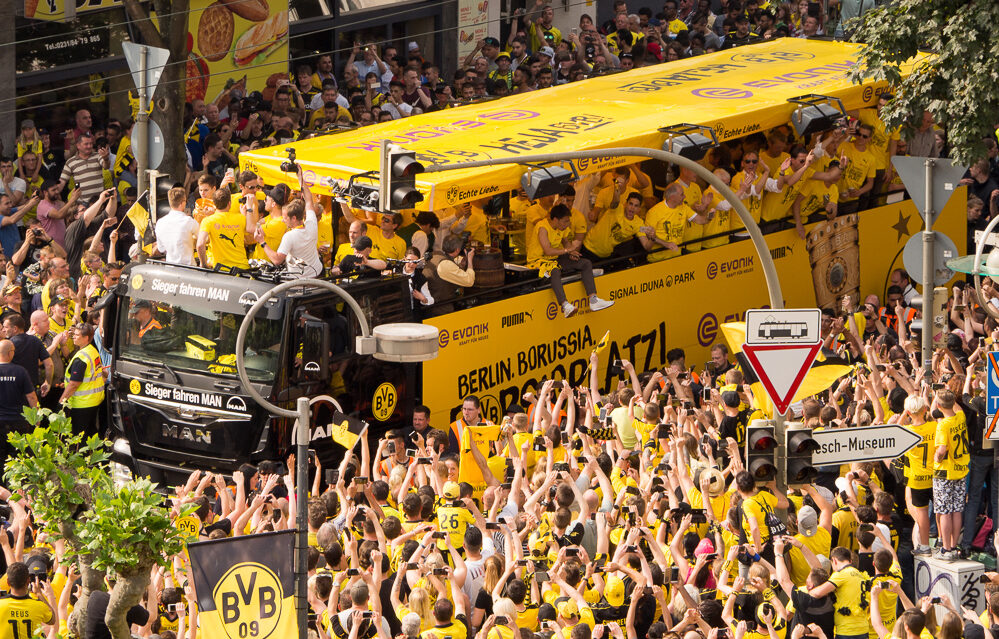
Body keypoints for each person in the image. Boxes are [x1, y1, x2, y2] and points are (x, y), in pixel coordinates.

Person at [528, 205, 614, 318]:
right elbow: (548, 251)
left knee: (585, 263)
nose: (567, 224)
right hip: (538, 260)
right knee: (555, 271)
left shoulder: (561, 228)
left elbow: (566, 242)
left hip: (555, 258)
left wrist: (572, 252)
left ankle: (593, 300)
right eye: (565, 221)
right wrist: (567, 250)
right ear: (555, 220)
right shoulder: (542, 228)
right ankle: (565, 305)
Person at [254, 167, 322, 278]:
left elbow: (276, 260)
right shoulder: (312, 224)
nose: (283, 220)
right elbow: (309, 199)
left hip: (299, 282)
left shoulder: (289, 236)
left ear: (294, 218)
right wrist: (300, 177)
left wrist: (262, 242)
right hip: (317, 275)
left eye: (285, 218)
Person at [933, 389, 969, 561]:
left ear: (939, 406)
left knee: (945, 511)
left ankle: (946, 549)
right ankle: (954, 546)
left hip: (945, 471)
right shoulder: (960, 417)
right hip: (961, 470)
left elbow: (942, 449)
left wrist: (936, 457)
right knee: (957, 510)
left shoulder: (943, 424)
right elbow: (959, 408)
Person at [59, 323, 104, 439]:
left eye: (77, 335)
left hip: (82, 404)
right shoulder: (93, 351)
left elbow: (74, 384)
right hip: (94, 400)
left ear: (86, 338)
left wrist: (62, 401)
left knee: (80, 437)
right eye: (74, 334)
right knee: (91, 434)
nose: (74, 337)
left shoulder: (81, 358)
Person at [197, 189, 251, 271]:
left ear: (214, 204)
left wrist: (203, 264)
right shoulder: (241, 218)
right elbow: (250, 238)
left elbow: (200, 244)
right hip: (242, 269)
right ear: (229, 203)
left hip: (220, 270)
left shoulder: (208, 220)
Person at [0, 561, 56, 638]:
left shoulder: (1, 604)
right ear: (28, 581)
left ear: (8, 582)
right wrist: (39, 594)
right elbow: (52, 620)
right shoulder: (39, 606)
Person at [3, 313, 52, 399]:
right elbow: (49, 364)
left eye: (6, 327)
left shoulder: (8, 345)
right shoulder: (36, 341)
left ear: (15, 329)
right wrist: (48, 382)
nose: (4, 330)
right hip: (32, 390)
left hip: (12, 391)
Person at [424, 235, 475, 314]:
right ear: (457, 250)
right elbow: (469, 281)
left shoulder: (435, 254)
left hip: (429, 302)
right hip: (440, 307)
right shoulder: (445, 264)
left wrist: (461, 265)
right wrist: (470, 261)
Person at [154, 187, 199, 265]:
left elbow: (161, 248)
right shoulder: (188, 221)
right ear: (182, 203)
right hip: (188, 269)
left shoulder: (160, 223)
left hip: (170, 268)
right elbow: (203, 238)